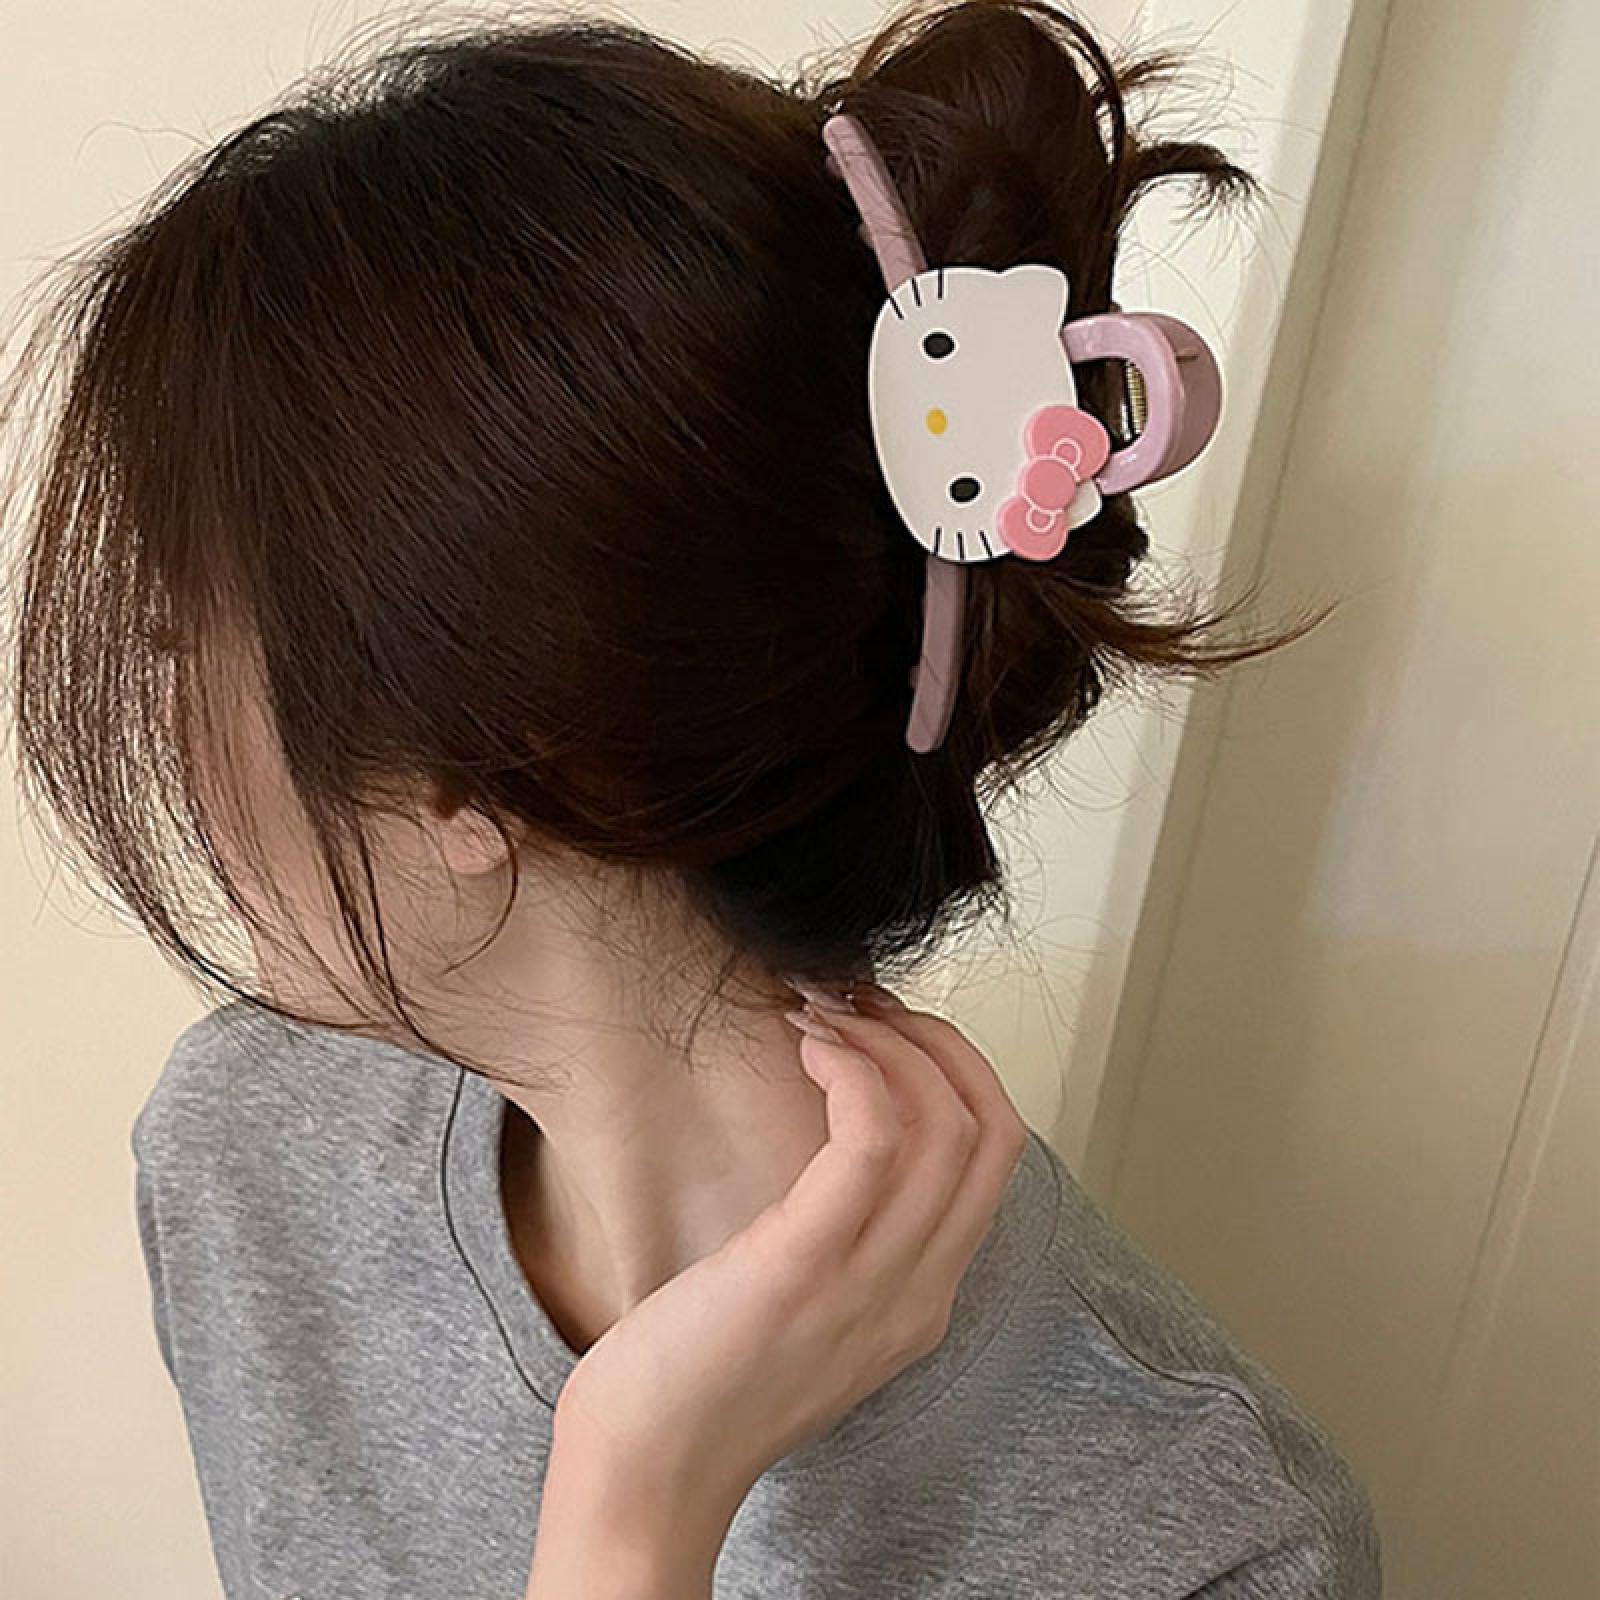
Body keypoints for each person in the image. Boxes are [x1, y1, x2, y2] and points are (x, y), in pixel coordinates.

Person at [4, 1, 1382, 1594]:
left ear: (479, 769)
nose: (173, 741)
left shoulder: (1200, 1540)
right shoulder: (259, 1154)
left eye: (184, 647)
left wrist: (638, 1499)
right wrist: (634, 1477)